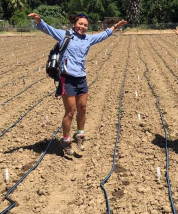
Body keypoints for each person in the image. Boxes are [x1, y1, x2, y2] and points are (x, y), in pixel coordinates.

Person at [28, 13, 127, 156]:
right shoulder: (65, 35)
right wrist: (38, 20)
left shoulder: (88, 39)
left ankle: (80, 135)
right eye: (80, 24)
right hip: (67, 79)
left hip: (81, 79)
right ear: (74, 24)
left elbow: (103, 35)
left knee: (83, 108)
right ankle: (66, 140)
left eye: (85, 25)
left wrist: (115, 27)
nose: (83, 27)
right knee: (70, 111)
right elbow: (47, 28)